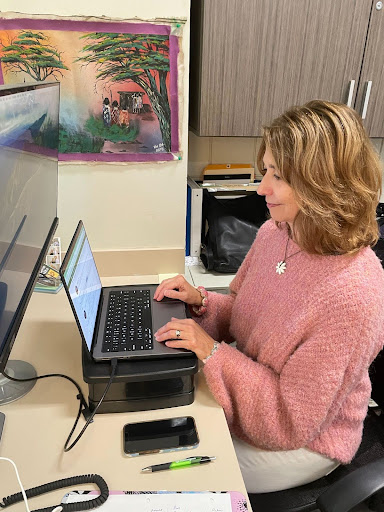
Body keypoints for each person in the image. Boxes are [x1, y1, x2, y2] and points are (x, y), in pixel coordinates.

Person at [154, 100, 384, 493]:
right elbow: (249, 320)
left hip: (306, 440)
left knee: (181, 474)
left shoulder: (352, 293)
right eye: (266, 171)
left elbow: (290, 419)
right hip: (257, 393)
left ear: (323, 182)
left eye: (278, 175)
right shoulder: (278, 232)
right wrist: (201, 302)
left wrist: (211, 351)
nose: (262, 188)